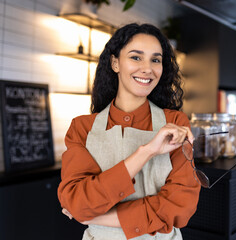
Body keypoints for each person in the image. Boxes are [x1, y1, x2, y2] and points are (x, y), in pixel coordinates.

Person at [57, 23, 201, 240]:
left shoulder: (175, 123)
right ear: (115, 63)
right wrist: (146, 152)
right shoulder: (82, 127)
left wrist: (94, 217)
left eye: (155, 59)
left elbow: (180, 207)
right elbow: (77, 200)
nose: (147, 68)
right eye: (136, 57)